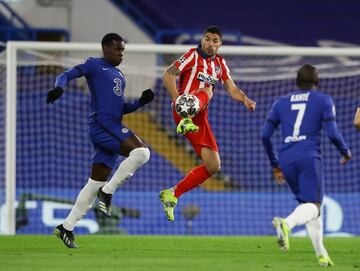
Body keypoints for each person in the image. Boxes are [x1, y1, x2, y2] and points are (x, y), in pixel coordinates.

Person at [47, 33, 154, 248]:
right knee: (142, 153)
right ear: (105, 47)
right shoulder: (94, 65)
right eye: (117, 49)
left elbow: (120, 108)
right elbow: (67, 74)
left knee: (94, 182)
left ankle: (66, 227)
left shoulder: (119, 74)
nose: (121, 54)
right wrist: (59, 86)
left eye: (123, 50)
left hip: (111, 126)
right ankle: (108, 192)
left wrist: (140, 102)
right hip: (103, 125)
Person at [159, 26, 256, 221]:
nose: (210, 44)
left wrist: (245, 99)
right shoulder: (192, 55)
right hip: (183, 107)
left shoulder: (220, 64)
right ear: (202, 40)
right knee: (208, 91)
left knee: (213, 165)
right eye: (207, 39)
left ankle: (172, 194)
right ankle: (185, 117)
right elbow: (168, 75)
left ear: (220, 44)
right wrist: (178, 100)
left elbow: (232, 88)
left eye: (215, 41)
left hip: (199, 117)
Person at [261, 64, 351, 267]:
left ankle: (322, 255)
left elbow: (264, 135)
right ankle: (287, 224)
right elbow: (332, 133)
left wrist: (275, 164)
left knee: (309, 206)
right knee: (315, 207)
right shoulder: (323, 100)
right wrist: (345, 151)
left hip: (285, 160)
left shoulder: (280, 102)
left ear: (296, 82)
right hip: (308, 157)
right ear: (317, 83)